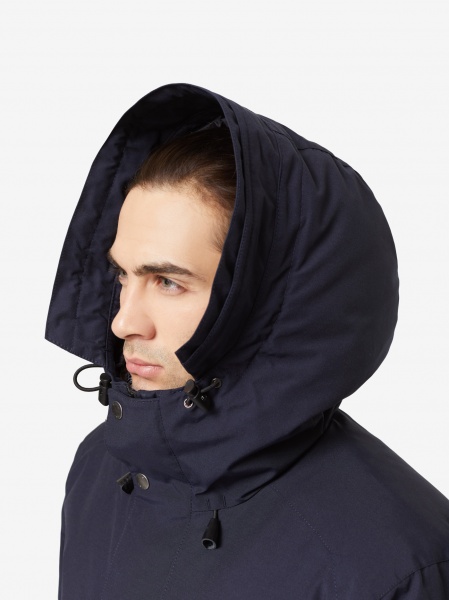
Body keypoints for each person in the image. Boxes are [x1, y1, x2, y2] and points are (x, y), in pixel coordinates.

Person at [46, 83, 449, 600]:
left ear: (268, 301)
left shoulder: (394, 567)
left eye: (167, 282)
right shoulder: (101, 467)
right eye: (123, 276)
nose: (123, 322)